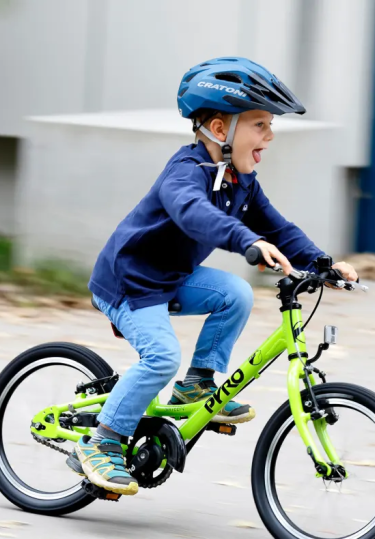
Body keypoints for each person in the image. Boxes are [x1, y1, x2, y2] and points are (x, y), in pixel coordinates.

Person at [69, 57, 358, 496]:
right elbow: (195, 214)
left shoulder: (242, 181)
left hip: (171, 276)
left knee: (236, 295)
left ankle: (197, 384)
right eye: (260, 123)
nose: (270, 135)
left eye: (270, 124)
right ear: (221, 131)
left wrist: (323, 263)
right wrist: (245, 241)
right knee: (161, 358)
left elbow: (278, 227)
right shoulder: (185, 173)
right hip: (130, 282)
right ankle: (102, 442)